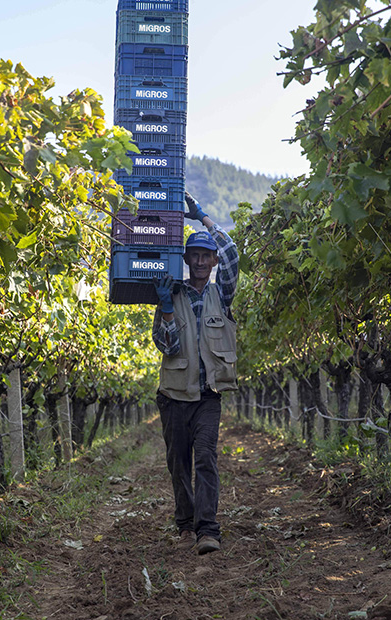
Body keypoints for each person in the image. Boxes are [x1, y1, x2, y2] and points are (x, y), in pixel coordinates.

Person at [152, 191, 239, 555]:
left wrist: (202, 217)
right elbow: (167, 346)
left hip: (207, 396)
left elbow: (232, 252)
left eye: (206, 255)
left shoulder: (223, 294)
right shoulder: (171, 294)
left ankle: (207, 529)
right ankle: (185, 525)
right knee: (178, 463)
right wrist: (165, 309)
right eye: (195, 255)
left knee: (205, 458)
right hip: (174, 396)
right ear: (186, 259)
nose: (201, 261)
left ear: (213, 260)